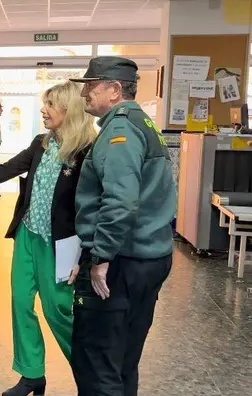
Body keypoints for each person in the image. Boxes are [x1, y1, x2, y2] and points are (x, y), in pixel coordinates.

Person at [0, 80, 97, 395]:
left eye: (50, 105)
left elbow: (94, 205)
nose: (44, 110)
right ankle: (31, 374)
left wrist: (87, 254)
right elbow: (6, 169)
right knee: (21, 302)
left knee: (57, 309)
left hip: (63, 243)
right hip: (28, 234)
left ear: (69, 109)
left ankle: (93, 374)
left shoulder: (87, 151)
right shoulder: (42, 143)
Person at [70, 56, 175, 396]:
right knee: (124, 359)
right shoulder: (143, 123)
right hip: (149, 256)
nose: (84, 93)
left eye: (91, 85)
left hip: (122, 261)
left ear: (114, 90)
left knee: (98, 361)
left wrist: (101, 257)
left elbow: (120, 200)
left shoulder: (120, 130)